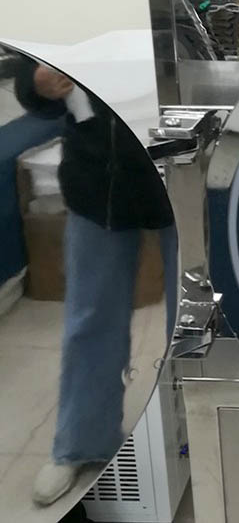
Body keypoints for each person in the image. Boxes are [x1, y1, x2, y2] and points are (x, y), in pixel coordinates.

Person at [14, 60, 177, 506]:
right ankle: (82, 443)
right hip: (97, 178)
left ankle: (190, 429)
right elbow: (35, 73)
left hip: (183, 167)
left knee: (195, 321)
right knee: (91, 319)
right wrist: (37, 83)